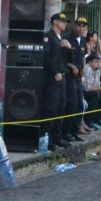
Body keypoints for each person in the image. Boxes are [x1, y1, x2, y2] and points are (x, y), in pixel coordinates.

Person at [42, 12, 71, 151]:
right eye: (63, 21)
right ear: (55, 22)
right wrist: (55, 72)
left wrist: (69, 48)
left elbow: (69, 59)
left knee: (61, 107)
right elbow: (45, 57)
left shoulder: (63, 38)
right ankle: (45, 138)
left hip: (63, 76)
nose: (65, 23)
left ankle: (57, 137)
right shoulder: (48, 37)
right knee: (51, 108)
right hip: (52, 78)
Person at [64, 16, 90, 140]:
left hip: (79, 77)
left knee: (80, 104)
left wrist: (83, 68)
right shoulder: (67, 38)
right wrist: (72, 66)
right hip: (69, 75)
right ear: (74, 26)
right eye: (79, 25)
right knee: (72, 104)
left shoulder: (83, 41)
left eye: (83, 26)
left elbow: (83, 56)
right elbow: (62, 59)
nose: (81, 28)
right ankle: (66, 132)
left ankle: (75, 131)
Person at [81, 52, 101, 129]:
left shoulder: (97, 71)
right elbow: (87, 87)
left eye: (100, 62)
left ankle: (97, 119)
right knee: (95, 95)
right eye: (96, 61)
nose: (99, 64)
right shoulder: (87, 69)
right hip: (82, 93)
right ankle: (88, 120)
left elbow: (97, 84)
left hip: (92, 90)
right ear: (90, 62)